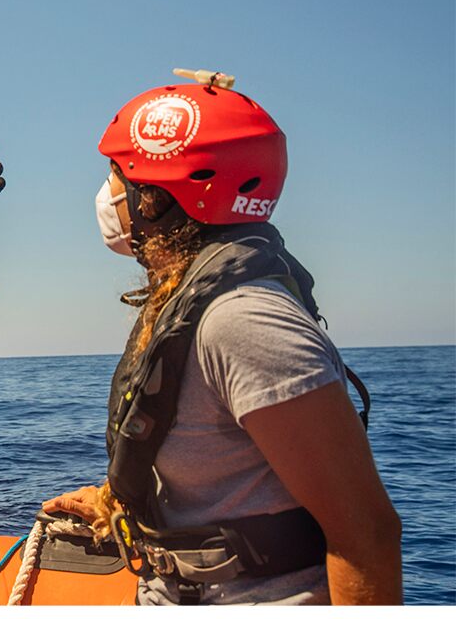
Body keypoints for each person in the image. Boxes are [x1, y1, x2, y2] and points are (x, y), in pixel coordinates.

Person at [42, 77, 400, 605]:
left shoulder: (244, 322)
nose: (108, 194)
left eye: (118, 175)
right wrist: (115, 501)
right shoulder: (193, 301)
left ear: (156, 198)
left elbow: (366, 534)